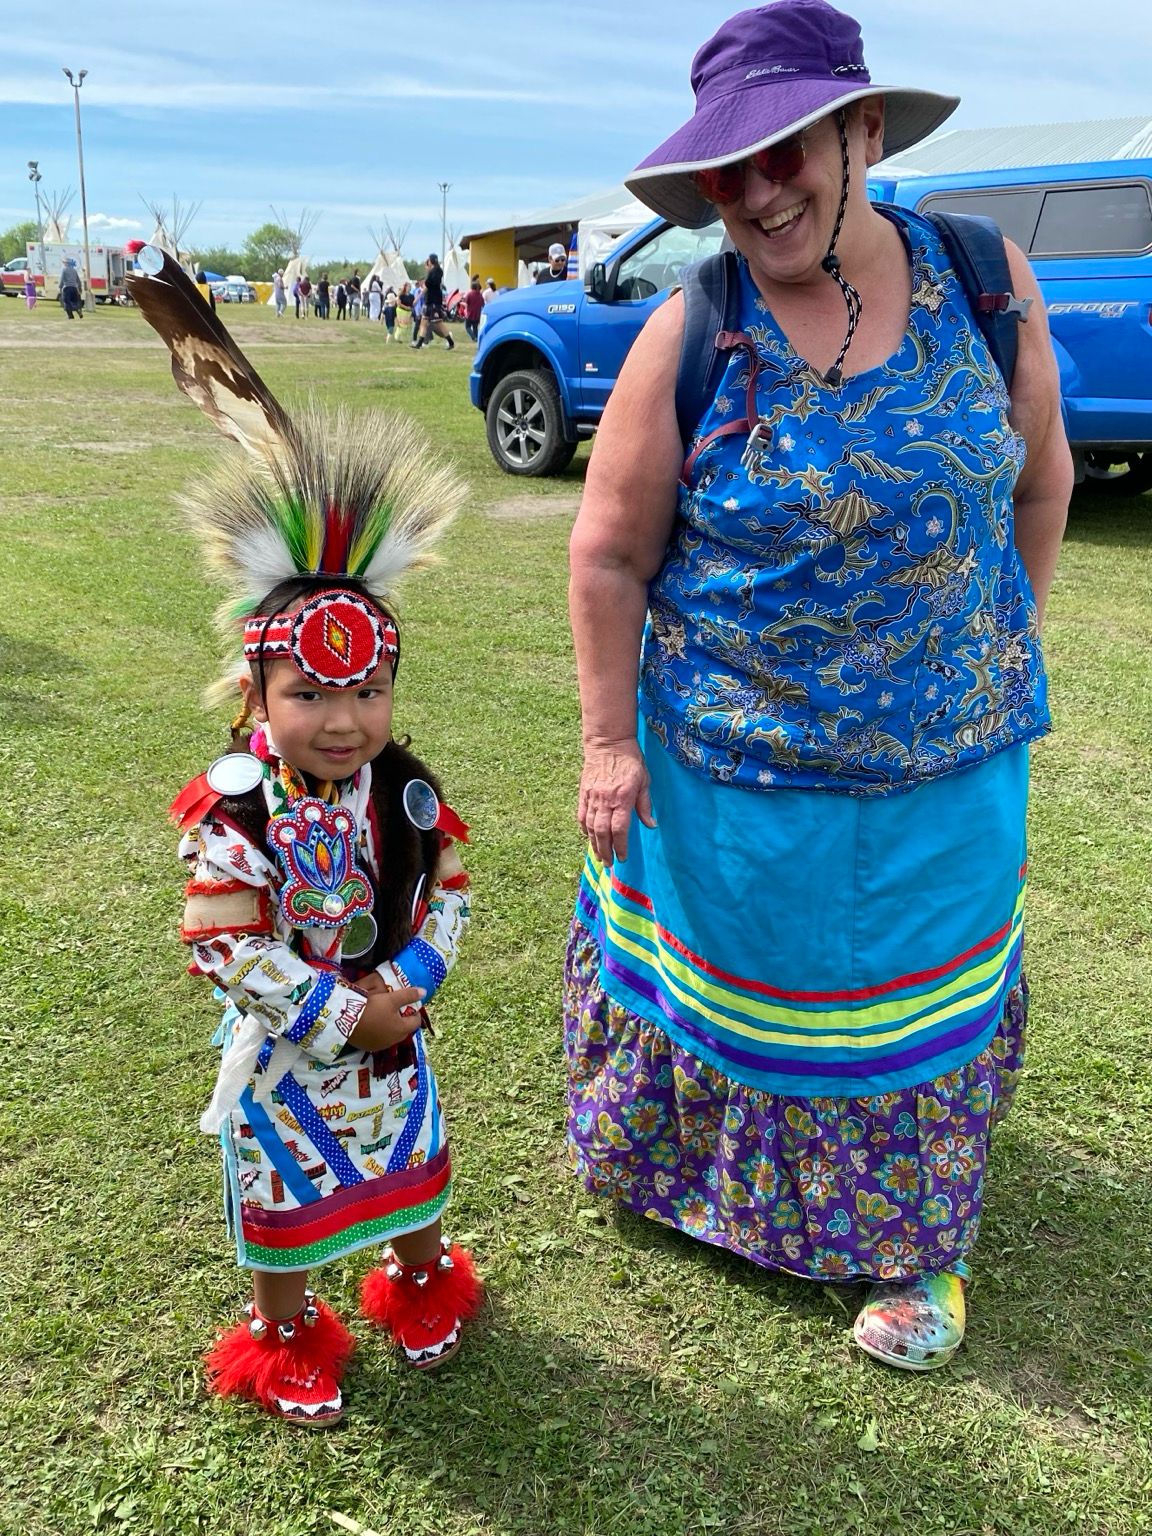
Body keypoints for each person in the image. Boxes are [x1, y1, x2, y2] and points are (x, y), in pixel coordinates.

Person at [565, 0, 1070, 1374]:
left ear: (861, 129)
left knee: (921, 1001)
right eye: (725, 174)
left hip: (946, 779)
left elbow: (1043, 483)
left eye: (785, 150)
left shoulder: (983, 278)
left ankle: (918, 1244)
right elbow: (609, 554)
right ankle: (704, 1189)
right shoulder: (698, 325)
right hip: (737, 771)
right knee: (736, 986)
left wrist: (991, 646)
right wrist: (610, 746)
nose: (757, 192)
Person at [126, 245, 483, 1428]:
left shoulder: (407, 792)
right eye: (311, 698)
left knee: (413, 1181)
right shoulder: (233, 805)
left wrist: (400, 988)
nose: (345, 721)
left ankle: (420, 1284)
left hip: (391, 1041)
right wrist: (336, 1012)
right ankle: (289, 1340)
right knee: (282, 1215)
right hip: (287, 1058)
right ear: (256, 698)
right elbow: (224, 947)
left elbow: (452, 895)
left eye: (368, 695)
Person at [413, 254, 454, 350]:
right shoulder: (439, 271)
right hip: (433, 301)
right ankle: (419, 343)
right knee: (424, 322)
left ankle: (450, 342)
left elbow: (427, 285)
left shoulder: (432, 272)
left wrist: (417, 298)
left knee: (438, 323)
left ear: (430, 262)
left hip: (432, 300)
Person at [462, 276, 483, 343]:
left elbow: (466, 303)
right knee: (475, 327)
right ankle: (476, 338)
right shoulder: (480, 295)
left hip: (470, 313)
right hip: (477, 314)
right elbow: (482, 303)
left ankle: (473, 337)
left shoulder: (470, 294)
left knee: (467, 327)